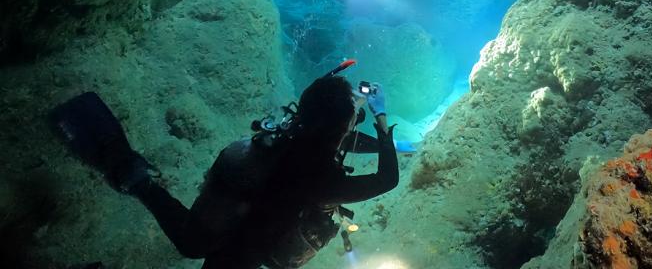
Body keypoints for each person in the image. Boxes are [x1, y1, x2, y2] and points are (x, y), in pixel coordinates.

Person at [52, 72, 398, 269]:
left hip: (216, 224)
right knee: (199, 249)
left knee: (191, 242)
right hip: (245, 251)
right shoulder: (323, 178)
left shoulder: (285, 135)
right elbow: (387, 179)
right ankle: (138, 180)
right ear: (341, 127)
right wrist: (381, 117)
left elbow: (324, 126)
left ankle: (137, 178)